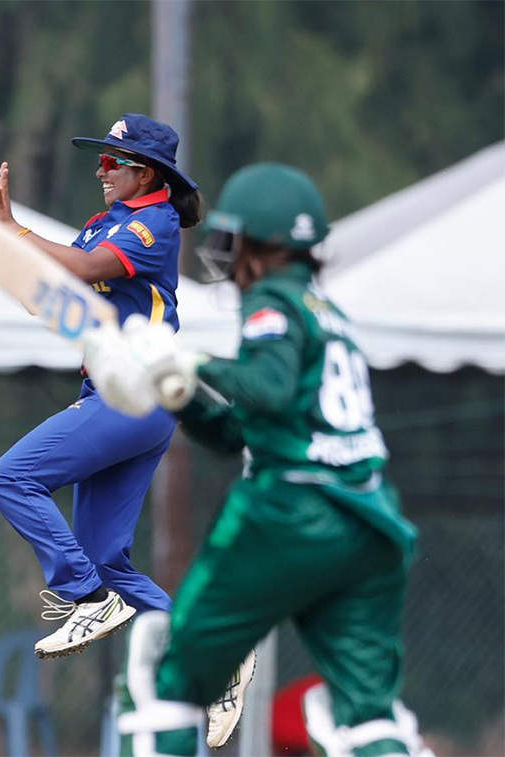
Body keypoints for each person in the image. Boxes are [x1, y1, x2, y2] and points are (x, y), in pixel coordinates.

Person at [102, 163, 420, 755]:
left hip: (293, 512)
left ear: (257, 245)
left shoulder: (272, 300)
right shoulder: (331, 317)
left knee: (163, 680)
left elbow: (267, 388)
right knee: (368, 715)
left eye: (230, 239)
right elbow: (237, 431)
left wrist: (190, 361)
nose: (223, 255)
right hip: (374, 522)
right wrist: (181, 393)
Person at [0, 113, 203, 659]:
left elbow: (81, 267)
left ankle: (84, 597)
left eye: (111, 162)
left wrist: (14, 230)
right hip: (113, 397)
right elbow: (55, 292)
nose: (100, 170)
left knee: (11, 479)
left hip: (136, 394)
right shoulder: (106, 221)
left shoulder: (156, 222)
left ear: (146, 174)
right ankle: (217, 655)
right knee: (104, 565)